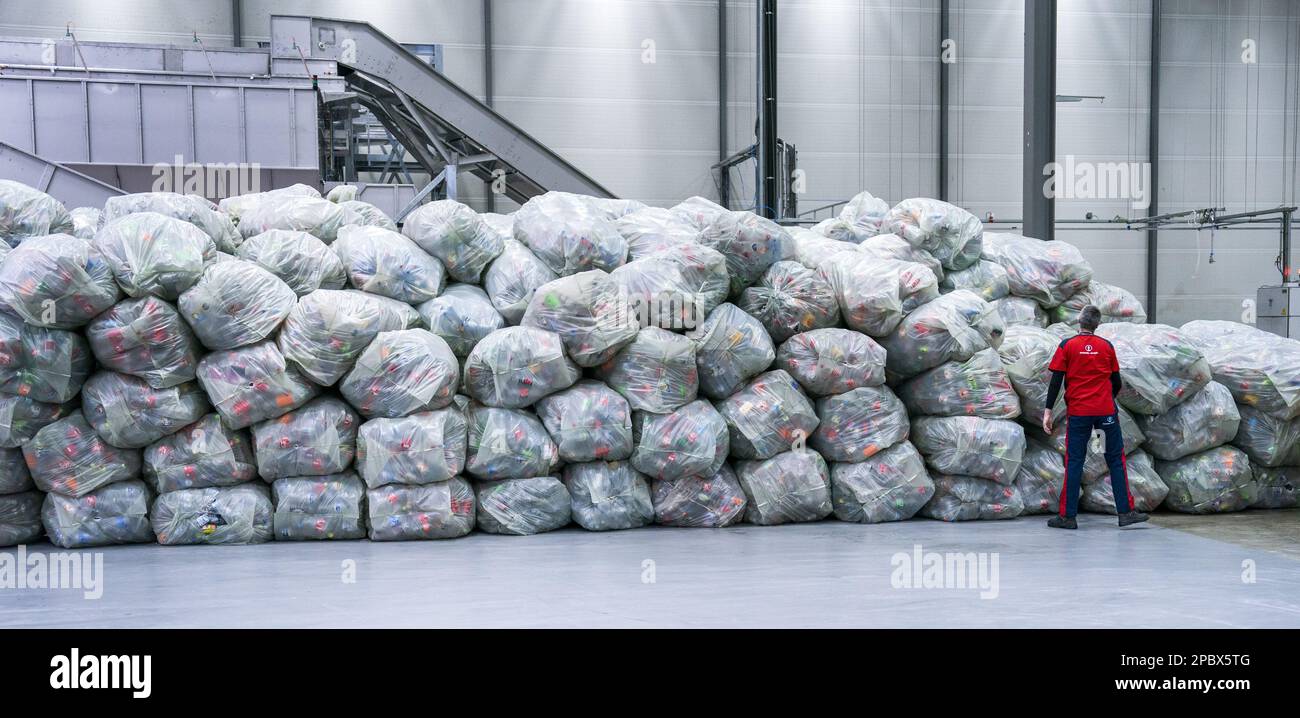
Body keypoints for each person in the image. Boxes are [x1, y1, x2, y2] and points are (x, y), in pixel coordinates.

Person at [1041, 305, 1149, 529]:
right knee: (1114, 459)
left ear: (1079, 321)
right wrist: (1106, 399)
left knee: (1075, 461)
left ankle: (1067, 517)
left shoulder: (1067, 346)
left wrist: (1048, 411)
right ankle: (1125, 513)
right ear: (1097, 324)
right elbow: (1116, 381)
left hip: (1080, 415)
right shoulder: (1106, 346)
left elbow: (1056, 380)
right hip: (1105, 416)